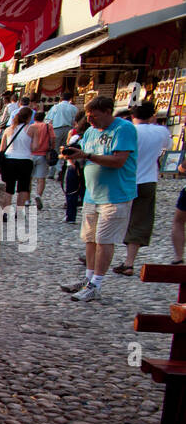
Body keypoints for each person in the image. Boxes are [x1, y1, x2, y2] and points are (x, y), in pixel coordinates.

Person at [59, 95, 139, 302]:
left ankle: (96, 284)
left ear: (107, 112)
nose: (90, 121)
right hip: (92, 194)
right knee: (90, 239)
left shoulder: (124, 129)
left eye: (94, 116)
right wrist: (73, 155)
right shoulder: (92, 131)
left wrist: (87, 156)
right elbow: (86, 152)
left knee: (104, 240)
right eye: (88, 116)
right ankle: (88, 279)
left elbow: (119, 160)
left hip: (116, 195)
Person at [113, 101, 173, 274]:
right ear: (152, 116)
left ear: (133, 116)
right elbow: (167, 147)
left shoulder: (127, 130)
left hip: (125, 179)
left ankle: (96, 255)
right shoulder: (161, 131)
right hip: (148, 179)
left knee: (112, 217)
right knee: (140, 221)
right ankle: (129, 263)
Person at [0, 106, 36, 210]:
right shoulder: (31, 129)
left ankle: (5, 212)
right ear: (29, 117)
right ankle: (20, 212)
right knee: (23, 188)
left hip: (9, 160)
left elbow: (2, 148)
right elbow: (34, 147)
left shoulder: (8, 129)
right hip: (25, 160)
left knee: (8, 188)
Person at [60, 114, 89, 224]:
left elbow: (67, 152)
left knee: (71, 192)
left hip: (73, 167)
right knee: (85, 192)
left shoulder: (76, 138)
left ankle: (70, 216)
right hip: (87, 167)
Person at [26, 111, 56, 206]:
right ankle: (38, 195)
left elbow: (27, 139)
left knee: (28, 178)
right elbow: (53, 138)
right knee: (41, 178)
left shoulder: (31, 127)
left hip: (30, 154)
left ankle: (27, 199)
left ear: (34, 118)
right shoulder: (48, 127)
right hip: (43, 154)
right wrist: (51, 148)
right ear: (43, 118)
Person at [45, 91, 78, 175]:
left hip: (57, 129)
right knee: (65, 150)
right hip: (68, 130)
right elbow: (75, 121)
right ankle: (61, 171)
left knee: (55, 150)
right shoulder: (74, 108)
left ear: (61, 98)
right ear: (70, 98)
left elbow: (49, 120)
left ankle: (52, 172)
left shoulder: (56, 107)